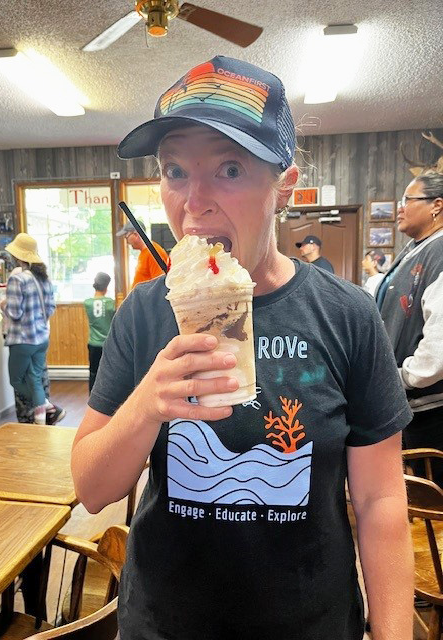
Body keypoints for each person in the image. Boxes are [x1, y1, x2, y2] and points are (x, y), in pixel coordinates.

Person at [71, 56, 413, 640]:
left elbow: (380, 500)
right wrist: (148, 404)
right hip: (165, 623)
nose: (194, 200)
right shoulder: (144, 312)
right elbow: (93, 490)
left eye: (229, 169)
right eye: (174, 170)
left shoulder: (347, 315)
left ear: (284, 186)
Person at [376, 171, 443, 485]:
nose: (400, 208)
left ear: (436, 206)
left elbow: (439, 338)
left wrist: (409, 375)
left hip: (430, 408)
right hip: (408, 399)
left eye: (408, 200)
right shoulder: (417, 249)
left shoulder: (440, 251)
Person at [0, 233, 65, 425]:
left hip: (22, 340)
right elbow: (51, 308)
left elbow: (14, 312)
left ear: (18, 256)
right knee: (35, 379)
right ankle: (41, 420)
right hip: (41, 338)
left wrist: (3, 304)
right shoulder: (43, 278)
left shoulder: (17, 279)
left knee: (16, 380)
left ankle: (47, 406)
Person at [84, 272, 115, 393]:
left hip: (93, 344)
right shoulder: (110, 303)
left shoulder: (87, 303)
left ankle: (92, 397)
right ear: (106, 287)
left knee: (93, 373)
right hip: (108, 344)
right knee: (110, 373)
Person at [116, 219, 168, 288]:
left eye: (126, 236)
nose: (127, 241)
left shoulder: (153, 252)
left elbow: (160, 285)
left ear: (136, 234)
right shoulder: (144, 253)